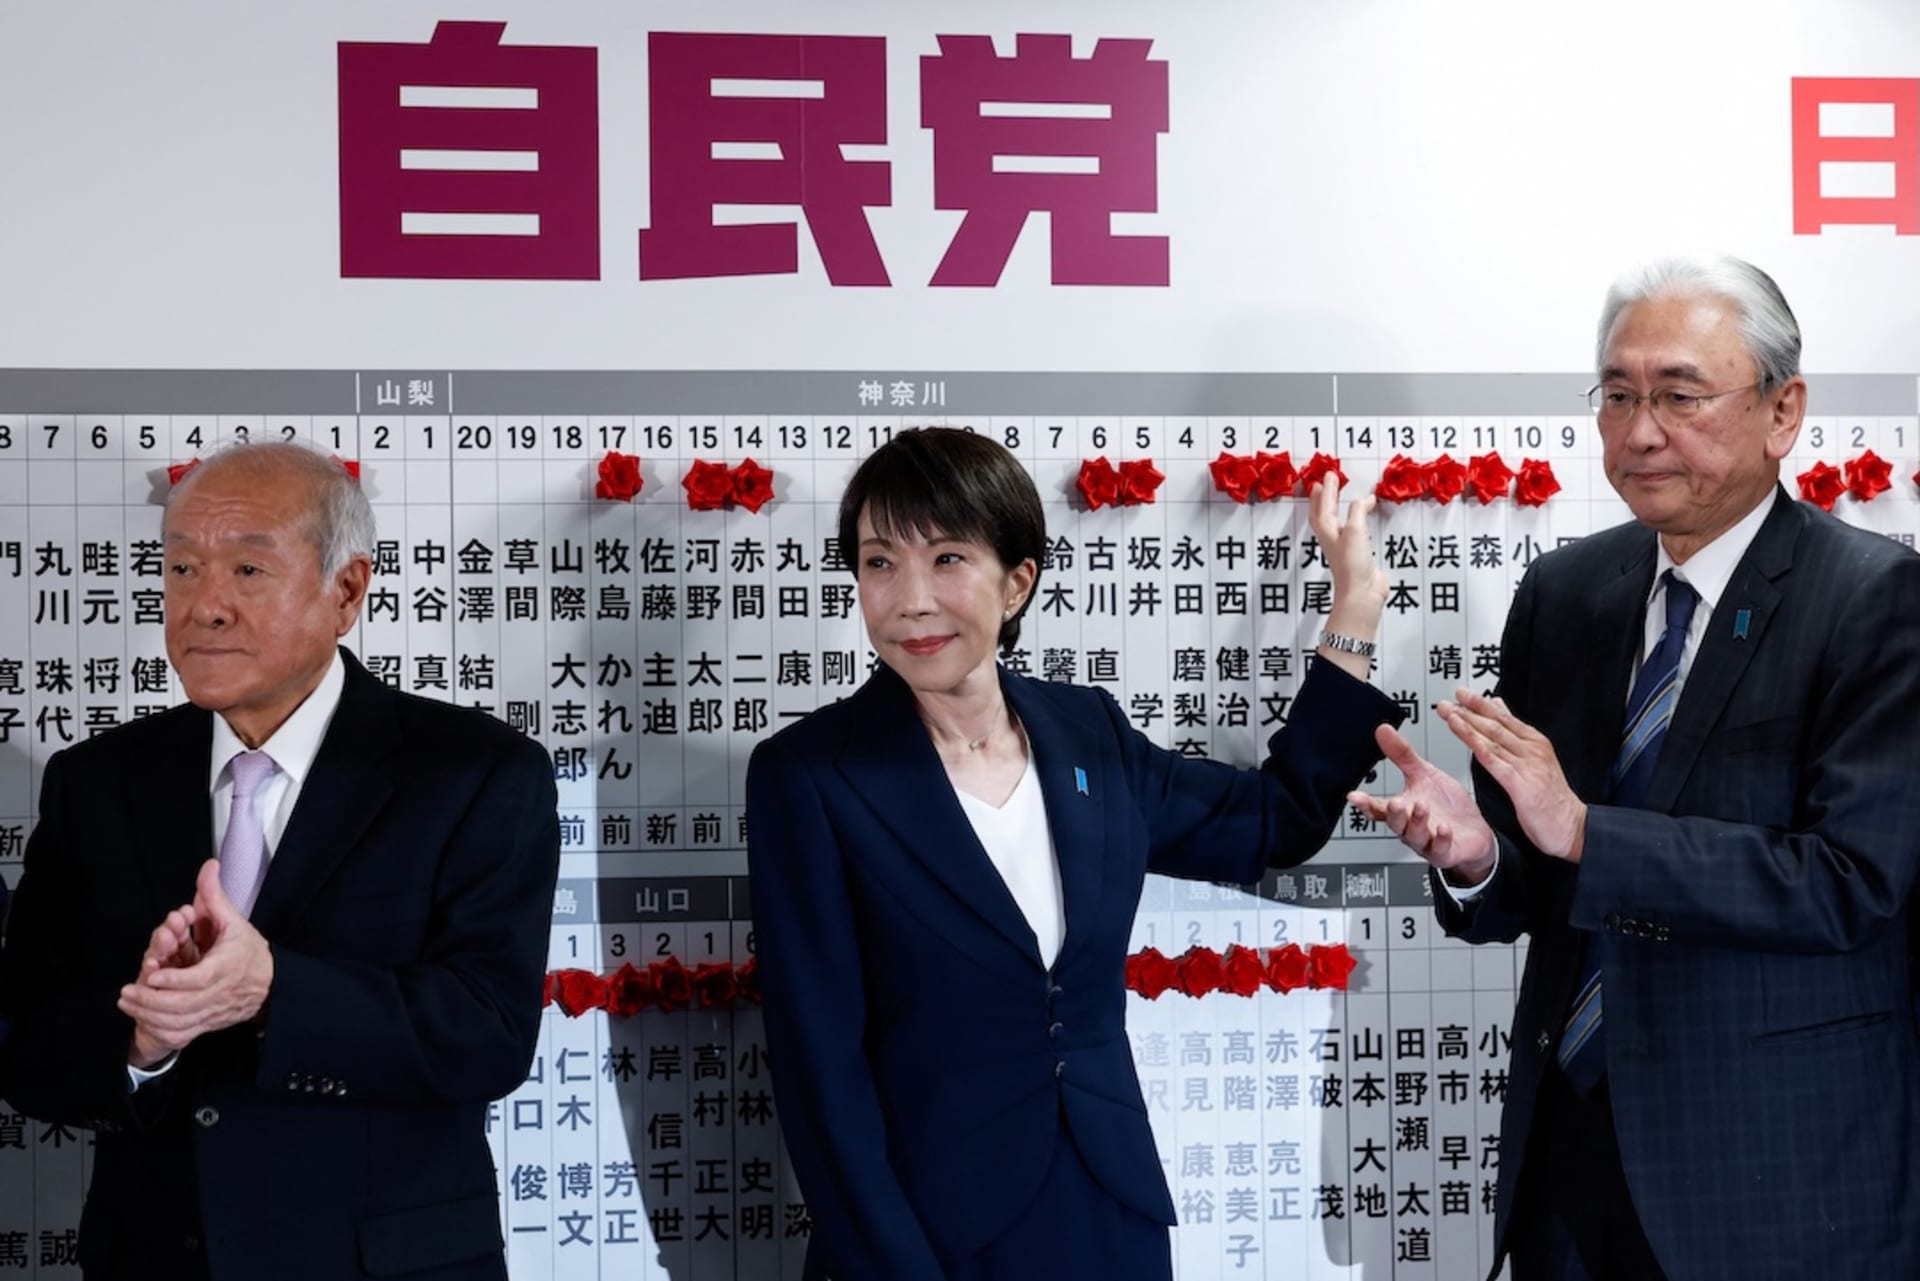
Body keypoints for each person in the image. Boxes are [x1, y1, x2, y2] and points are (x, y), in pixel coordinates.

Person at [1353, 255, 1920, 1279]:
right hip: (1571, 1157)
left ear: (1783, 411)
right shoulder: (1568, 594)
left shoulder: (1875, 601)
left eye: (1679, 395)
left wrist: (1586, 831)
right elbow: (1546, 878)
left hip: (1777, 1173)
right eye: (1618, 395)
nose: (1642, 430)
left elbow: (1853, 883)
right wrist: (1479, 857)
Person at [745, 427, 1404, 1281]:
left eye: (947, 559)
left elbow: (1273, 821)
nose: (909, 599)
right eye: (879, 563)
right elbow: (820, 1080)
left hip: (1107, 1213)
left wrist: (1351, 615)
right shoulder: (812, 778)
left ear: (1017, 582)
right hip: (927, 1234)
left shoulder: (1085, 732)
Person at [0, 441, 560, 1281]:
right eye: (182, 568)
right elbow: (27, 1046)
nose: (204, 605)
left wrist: (271, 990)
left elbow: (488, 1033)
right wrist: (143, 1038)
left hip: (385, 1264)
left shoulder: (474, 772)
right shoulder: (98, 781)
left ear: (347, 591)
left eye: (248, 570)